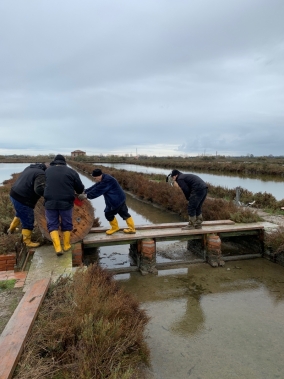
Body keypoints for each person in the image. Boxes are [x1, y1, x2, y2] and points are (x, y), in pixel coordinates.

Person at [44, 154, 85, 256]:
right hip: (66, 203)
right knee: (66, 223)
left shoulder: (47, 171)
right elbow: (80, 189)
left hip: (50, 202)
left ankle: (57, 248)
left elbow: (41, 186)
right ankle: (66, 245)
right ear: (64, 162)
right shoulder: (71, 172)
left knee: (52, 224)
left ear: (54, 161)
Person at [78, 169, 136, 235]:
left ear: (99, 176)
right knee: (124, 213)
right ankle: (132, 229)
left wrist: (87, 196)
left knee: (108, 214)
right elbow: (96, 186)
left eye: (95, 178)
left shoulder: (107, 181)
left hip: (115, 200)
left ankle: (115, 228)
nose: (95, 179)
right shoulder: (105, 178)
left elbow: (98, 191)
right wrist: (85, 191)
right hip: (120, 198)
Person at [8, 163, 47, 247]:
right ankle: (27, 242)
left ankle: (11, 229)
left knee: (20, 213)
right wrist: (47, 196)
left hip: (14, 194)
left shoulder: (29, 168)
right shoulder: (41, 173)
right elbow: (39, 189)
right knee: (28, 219)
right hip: (23, 198)